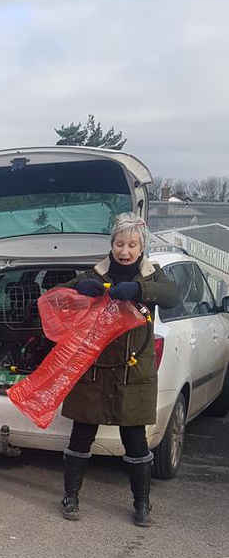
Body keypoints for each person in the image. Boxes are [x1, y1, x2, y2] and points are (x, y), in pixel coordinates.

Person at [59, 213, 179, 526]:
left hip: (132, 374)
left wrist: (139, 292)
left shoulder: (152, 275)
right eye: (119, 243)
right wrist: (79, 287)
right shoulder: (96, 273)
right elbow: (62, 295)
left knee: (136, 441)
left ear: (142, 247)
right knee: (81, 435)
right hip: (94, 371)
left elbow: (172, 296)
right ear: (111, 245)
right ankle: (70, 497)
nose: (125, 250)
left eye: (132, 244)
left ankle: (142, 505)